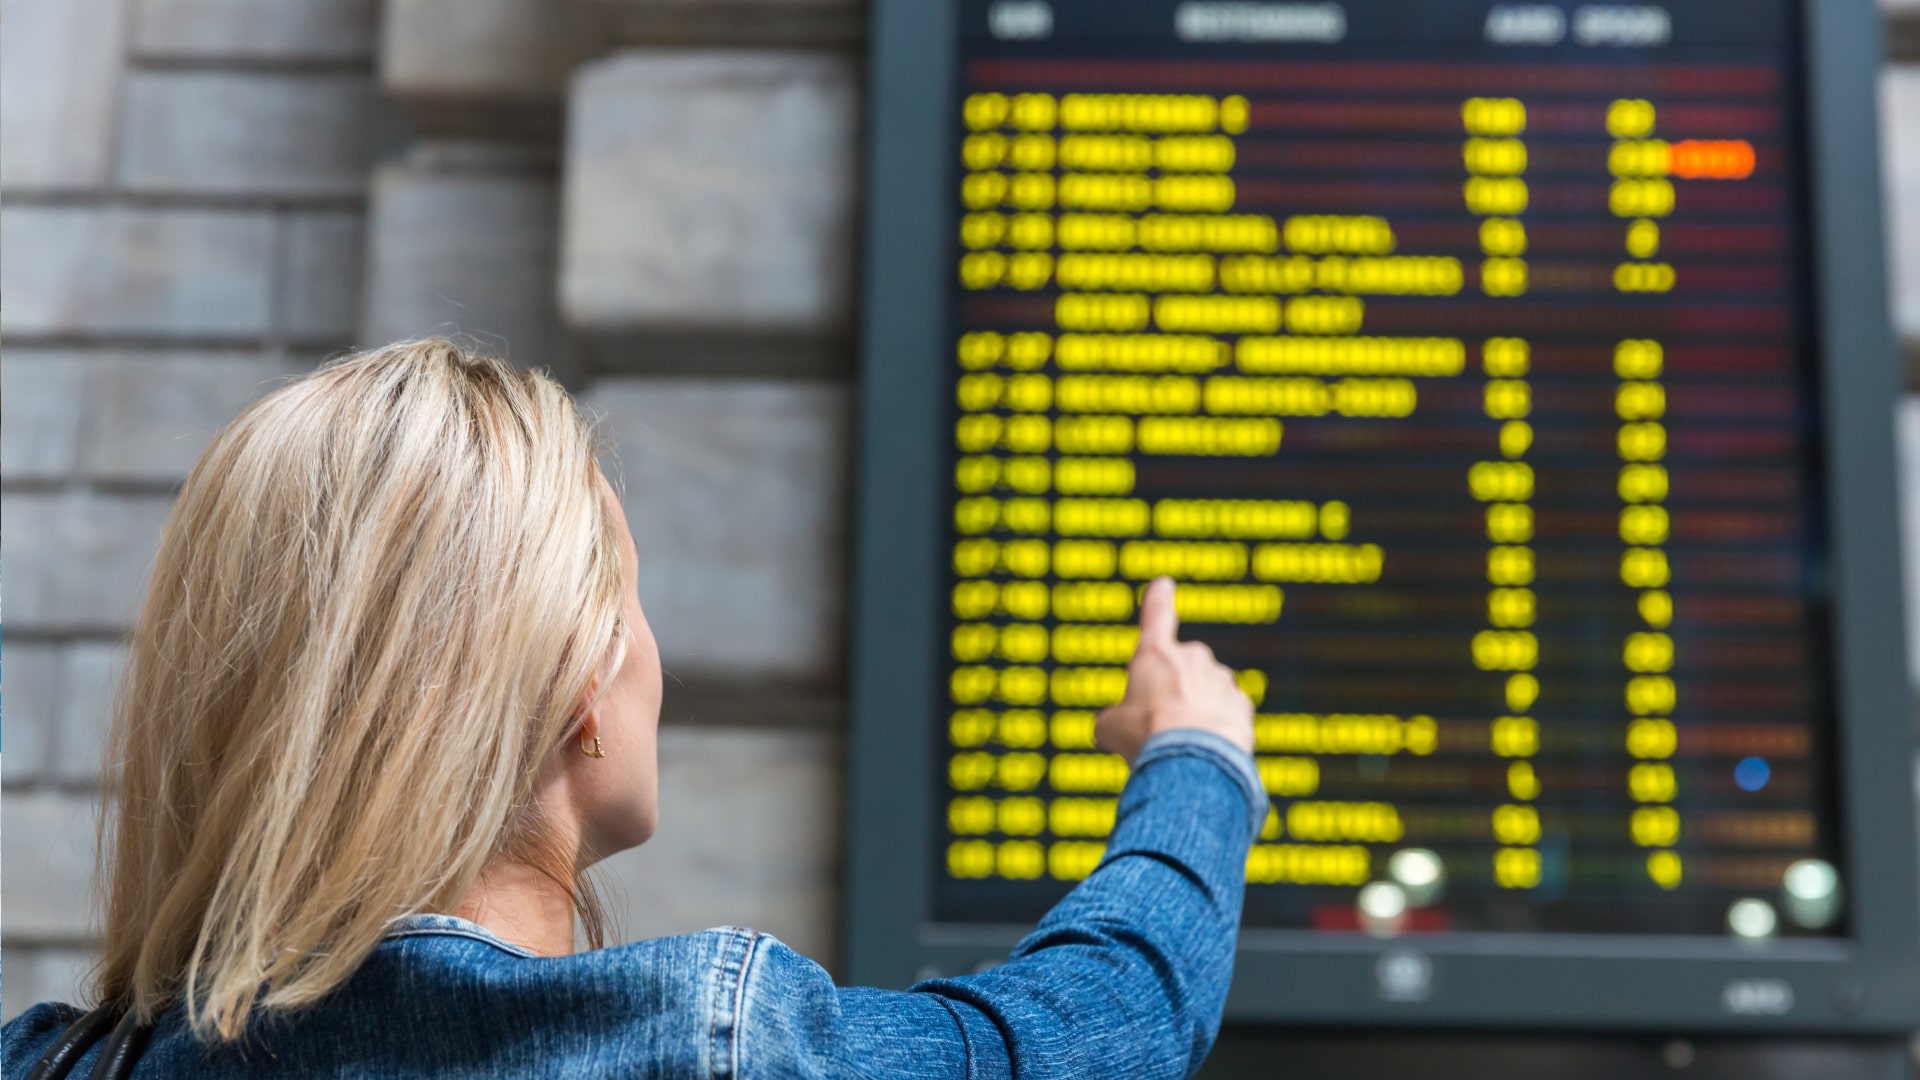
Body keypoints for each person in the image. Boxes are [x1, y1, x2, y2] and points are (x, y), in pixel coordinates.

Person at [3, 340, 1263, 1079]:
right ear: (569, 677)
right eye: (632, 605)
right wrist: (1194, 755)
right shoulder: (705, 1044)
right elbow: (1100, 1025)